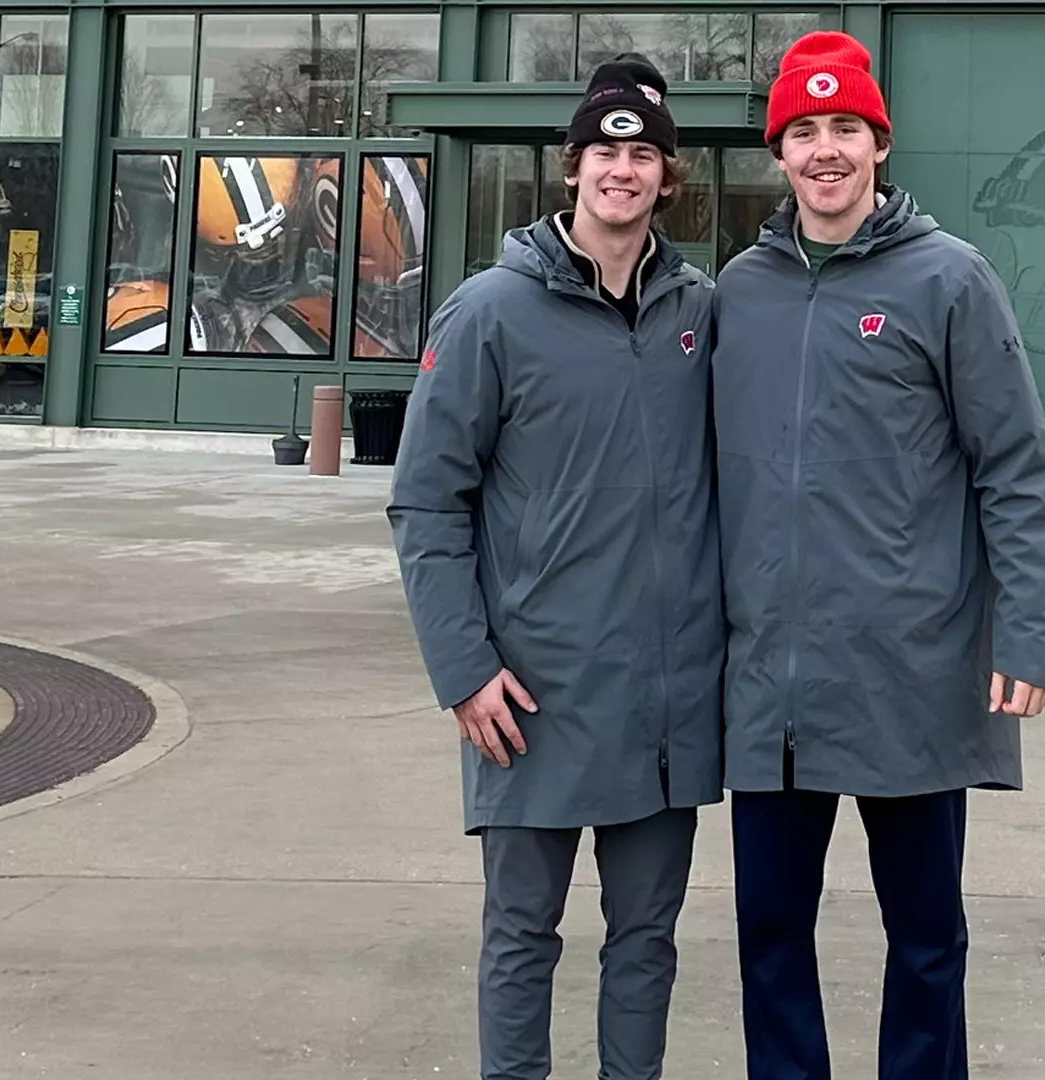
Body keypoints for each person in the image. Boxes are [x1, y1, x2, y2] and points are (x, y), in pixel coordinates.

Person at [709, 29, 1045, 1080]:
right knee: (770, 941)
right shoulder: (738, 290)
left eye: (846, 129)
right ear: (781, 154)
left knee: (926, 940)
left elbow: (1017, 469)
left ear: (880, 145)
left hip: (910, 670)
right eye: (805, 131)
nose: (826, 150)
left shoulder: (949, 280)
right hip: (767, 680)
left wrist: (1030, 634)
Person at [386, 52, 723, 1080]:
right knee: (522, 936)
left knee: (647, 943)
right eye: (601, 152)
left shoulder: (704, 315)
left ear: (667, 178)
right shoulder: (490, 310)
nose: (621, 170)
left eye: (642, 154)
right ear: (571, 170)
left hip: (666, 698)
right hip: (525, 692)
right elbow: (426, 501)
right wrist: (462, 668)